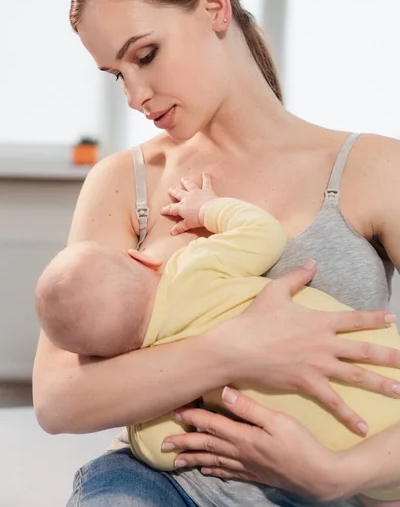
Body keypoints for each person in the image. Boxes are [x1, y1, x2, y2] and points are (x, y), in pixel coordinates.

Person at [32, 0, 400, 507]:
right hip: (158, 486)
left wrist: (338, 476)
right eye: (116, 75)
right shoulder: (124, 183)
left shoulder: (371, 168)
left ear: (214, 6)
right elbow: (58, 399)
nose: (135, 96)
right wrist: (237, 349)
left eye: (145, 55)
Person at [35, 171, 400, 503]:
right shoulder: (192, 266)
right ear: (142, 260)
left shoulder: (159, 371)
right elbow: (263, 233)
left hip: (347, 470)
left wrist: (139, 411)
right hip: (380, 398)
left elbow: (163, 450)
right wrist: (208, 209)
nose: (135, 99)